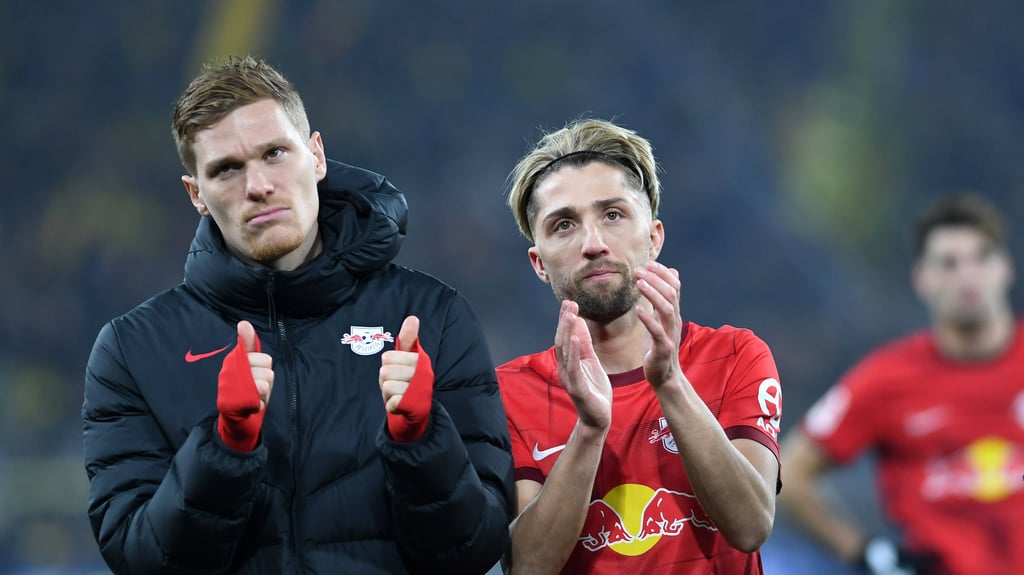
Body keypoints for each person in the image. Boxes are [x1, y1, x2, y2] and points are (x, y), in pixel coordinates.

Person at [82, 56, 513, 574]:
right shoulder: (132, 349)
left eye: (275, 154)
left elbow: (476, 550)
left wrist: (421, 442)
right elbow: (142, 561)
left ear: (317, 156)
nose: (258, 185)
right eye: (226, 169)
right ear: (196, 194)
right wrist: (225, 448)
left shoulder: (431, 317)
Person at [496, 118, 783, 574]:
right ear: (539, 264)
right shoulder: (509, 393)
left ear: (654, 238)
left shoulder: (735, 356)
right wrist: (590, 428)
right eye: (564, 225)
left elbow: (750, 526)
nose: (593, 244)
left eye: (613, 215)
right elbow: (527, 568)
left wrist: (668, 380)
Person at [779, 194, 1024, 575]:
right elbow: (788, 475)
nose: (968, 275)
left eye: (982, 257)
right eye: (949, 264)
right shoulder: (887, 378)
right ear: (921, 279)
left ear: (1006, 267)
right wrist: (864, 552)